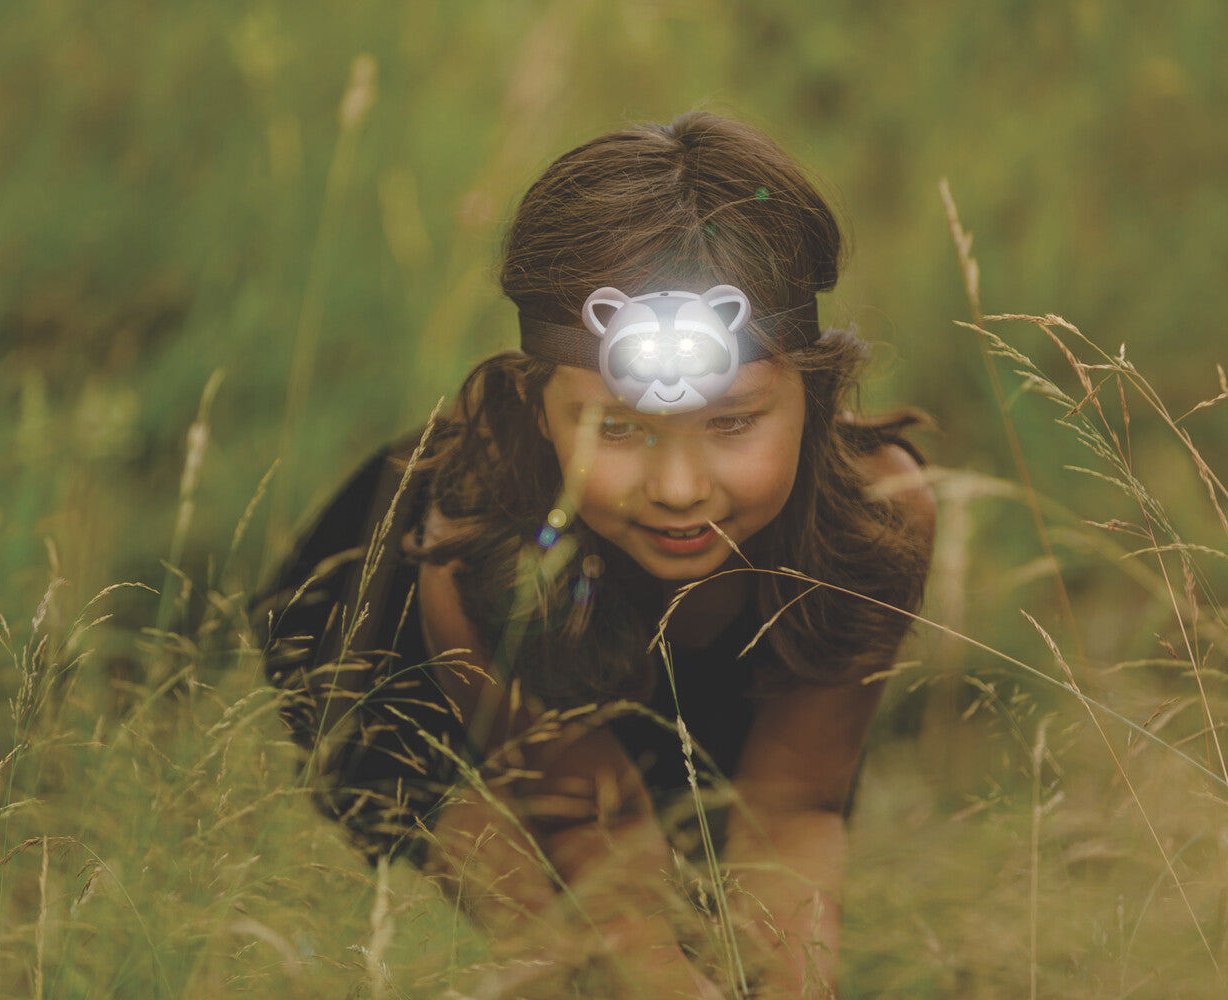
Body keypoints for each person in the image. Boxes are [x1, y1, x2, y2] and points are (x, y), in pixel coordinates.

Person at [257, 111, 935, 998]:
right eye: (618, 426)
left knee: (731, 886)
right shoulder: (468, 542)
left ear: (811, 386)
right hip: (413, 672)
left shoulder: (877, 513)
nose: (681, 487)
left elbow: (794, 806)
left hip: (691, 658)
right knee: (563, 955)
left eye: (732, 421)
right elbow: (595, 830)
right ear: (540, 402)